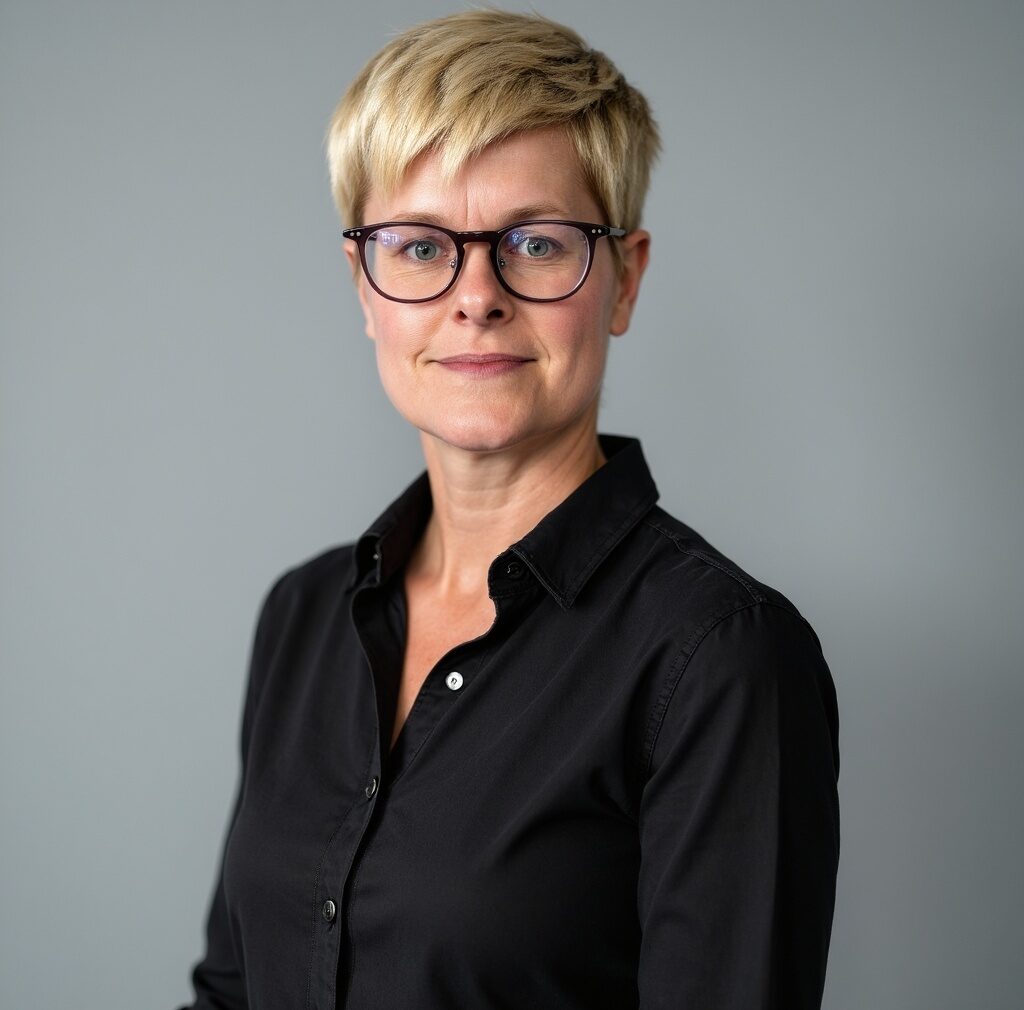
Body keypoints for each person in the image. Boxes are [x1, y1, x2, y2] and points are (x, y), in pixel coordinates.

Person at [176, 10, 840, 1010]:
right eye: (416, 245)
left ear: (623, 278)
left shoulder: (719, 656)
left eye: (534, 242)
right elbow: (234, 990)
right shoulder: (302, 615)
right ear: (363, 286)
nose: (474, 294)